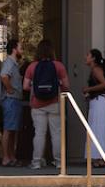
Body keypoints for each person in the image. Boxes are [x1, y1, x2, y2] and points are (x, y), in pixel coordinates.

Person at [23, 39, 70, 171]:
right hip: (55, 103)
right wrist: (58, 84)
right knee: (56, 133)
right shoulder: (58, 66)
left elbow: (25, 86)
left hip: (37, 105)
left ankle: (36, 162)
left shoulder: (32, 66)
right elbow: (67, 86)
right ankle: (59, 162)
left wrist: (35, 85)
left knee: (39, 133)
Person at [83, 48, 105, 165]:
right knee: (99, 129)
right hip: (98, 102)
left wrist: (88, 89)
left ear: (93, 58)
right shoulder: (96, 70)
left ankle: (99, 158)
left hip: (99, 102)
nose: (85, 57)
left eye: (88, 55)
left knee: (98, 128)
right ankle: (100, 157)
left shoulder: (96, 70)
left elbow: (104, 84)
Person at [0, 39, 24, 167]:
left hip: (15, 100)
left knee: (13, 129)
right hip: (11, 100)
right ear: (14, 49)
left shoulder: (14, 63)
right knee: (8, 129)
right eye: (20, 47)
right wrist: (9, 89)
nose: (22, 50)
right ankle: (6, 157)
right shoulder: (9, 62)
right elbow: (4, 76)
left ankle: (11, 156)